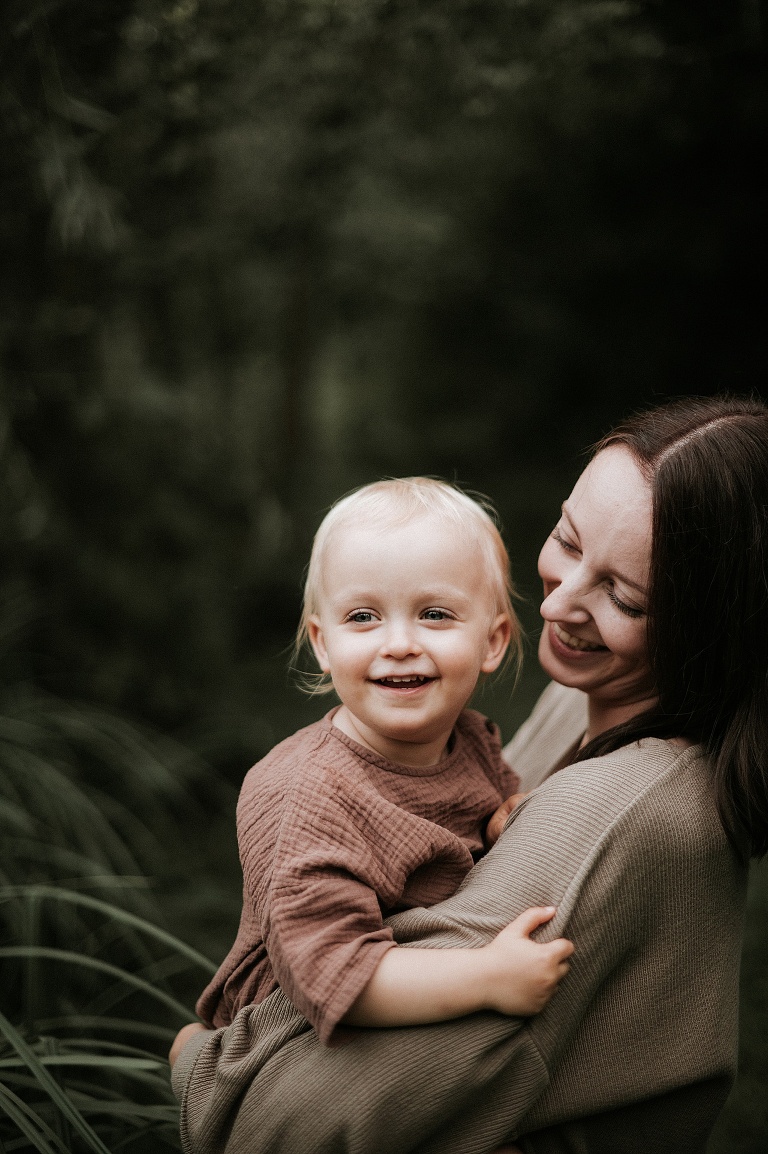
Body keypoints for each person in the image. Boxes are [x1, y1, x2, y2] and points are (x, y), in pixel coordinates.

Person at [170, 395, 768, 1154]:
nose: (559, 602)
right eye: (567, 538)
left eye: (623, 596)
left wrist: (196, 1063)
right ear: (319, 640)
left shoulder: (623, 816)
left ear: (712, 630)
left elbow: (273, 1128)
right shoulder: (573, 701)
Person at [189, 478, 573, 1053]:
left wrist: (504, 821)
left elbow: (484, 817)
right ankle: (192, 1053)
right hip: (287, 1036)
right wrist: (488, 978)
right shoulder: (308, 794)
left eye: (434, 614)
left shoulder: (471, 740)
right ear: (323, 643)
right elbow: (333, 973)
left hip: (416, 973)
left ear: (492, 642)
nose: (398, 643)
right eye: (364, 616)